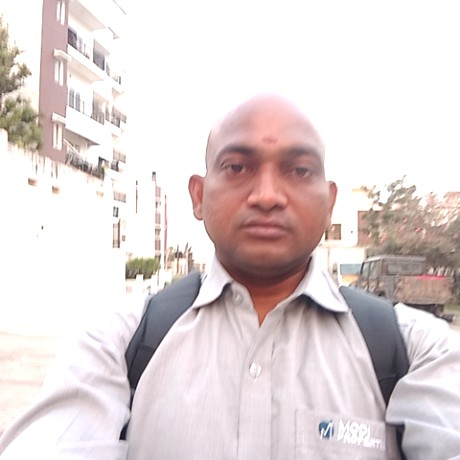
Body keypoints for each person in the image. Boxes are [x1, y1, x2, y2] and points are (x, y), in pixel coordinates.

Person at [1, 93, 460, 459]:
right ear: (198, 196)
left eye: (299, 170)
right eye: (237, 167)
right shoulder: (115, 344)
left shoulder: (417, 351)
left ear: (330, 202)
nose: (267, 195)